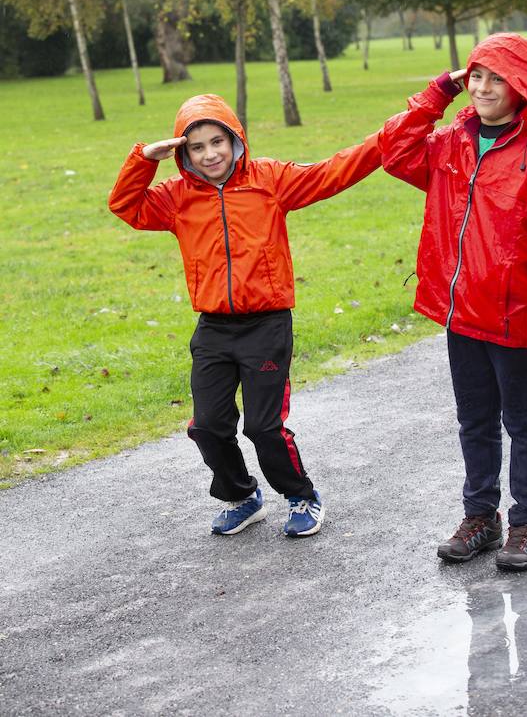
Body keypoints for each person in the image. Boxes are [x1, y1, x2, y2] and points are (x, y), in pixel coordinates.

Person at [109, 94, 381, 537]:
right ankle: (243, 496)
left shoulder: (269, 180)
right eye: (196, 147)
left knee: (263, 426)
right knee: (208, 426)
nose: (210, 154)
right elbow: (125, 206)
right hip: (214, 329)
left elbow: (338, 169)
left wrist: (411, 120)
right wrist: (144, 159)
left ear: (235, 139)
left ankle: (301, 496)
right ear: (183, 153)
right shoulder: (177, 197)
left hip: (266, 326)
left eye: (217, 141)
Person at [381, 33, 527, 570]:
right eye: (477, 76)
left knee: (526, 421)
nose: (485, 88)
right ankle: (481, 518)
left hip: (514, 320)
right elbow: (394, 152)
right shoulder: (450, 144)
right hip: (462, 314)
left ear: (522, 87)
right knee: (474, 421)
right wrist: (436, 92)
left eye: (498, 78)